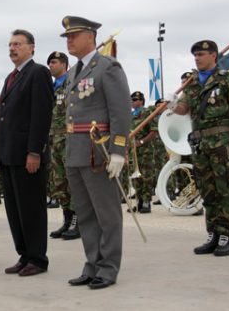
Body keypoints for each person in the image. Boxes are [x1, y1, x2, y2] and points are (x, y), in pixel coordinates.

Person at [62, 16, 131, 289]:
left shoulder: (107, 67)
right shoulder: (73, 72)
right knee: (86, 213)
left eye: (74, 35)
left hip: (98, 152)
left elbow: (120, 112)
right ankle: (92, 264)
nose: (69, 40)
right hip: (76, 151)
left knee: (107, 213)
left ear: (90, 36)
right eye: (67, 36)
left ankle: (108, 267)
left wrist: (118, 152)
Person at [169, 40, 229, 256]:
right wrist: (173, 104)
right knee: (207, 190)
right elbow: (185, 109)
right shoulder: (192, 82)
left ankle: (226, 235)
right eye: (195, 55)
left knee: (223, 189)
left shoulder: (227, 80)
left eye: (201, 54)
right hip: (200, 143)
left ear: (213, 55)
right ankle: (212, 233)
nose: (197, 58)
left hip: (221, 142)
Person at [0, 29, 54, 277]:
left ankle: (38, 259)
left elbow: (41, 116)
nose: (12, 48)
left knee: (31, 208)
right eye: (10, 44)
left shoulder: (38, 72)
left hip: (27, 155)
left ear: (31, 47)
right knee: (15, 209)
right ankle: (24, 255)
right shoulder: (11, 77)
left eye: (18, 44)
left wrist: (35, 152)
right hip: (9, 154)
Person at [47, 51, 80, 240]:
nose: (51, 65)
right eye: (50, 62)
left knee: (72, 181)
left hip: (69, 139)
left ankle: (78, 221)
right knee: (59, 182)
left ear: (64, 64)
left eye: (54, 62)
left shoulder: (72, 83)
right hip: (54, 140)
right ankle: (67, 220)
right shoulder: (51, 88)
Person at [129, 91, 157, 213]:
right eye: (132, 100)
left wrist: (141, 142)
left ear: (141, 101)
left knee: (146, 176)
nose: (133, 102)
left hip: (145, 150)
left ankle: (146, 201)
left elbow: (153, 132)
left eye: (135, 100)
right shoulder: (129, 115)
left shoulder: (147, 113)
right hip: (133, 151)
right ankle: (139, 201)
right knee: (136, 176)